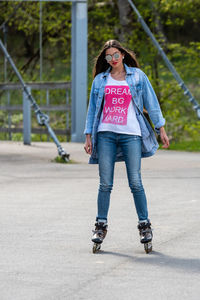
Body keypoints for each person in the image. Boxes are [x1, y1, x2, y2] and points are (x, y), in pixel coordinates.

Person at [84, 39, 169, 250]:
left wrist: (161, 129)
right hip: (105, 134)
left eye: (115, 55)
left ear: (122, 55)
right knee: (105, 184)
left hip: (131, 134)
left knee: (135, 182)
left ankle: (144, 225)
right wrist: (88, 136)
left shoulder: (138, 77)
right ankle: (100, 225)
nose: (112, 59)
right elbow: (93, 110)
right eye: (108, 56)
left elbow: (152, 103)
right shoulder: (100, 81)